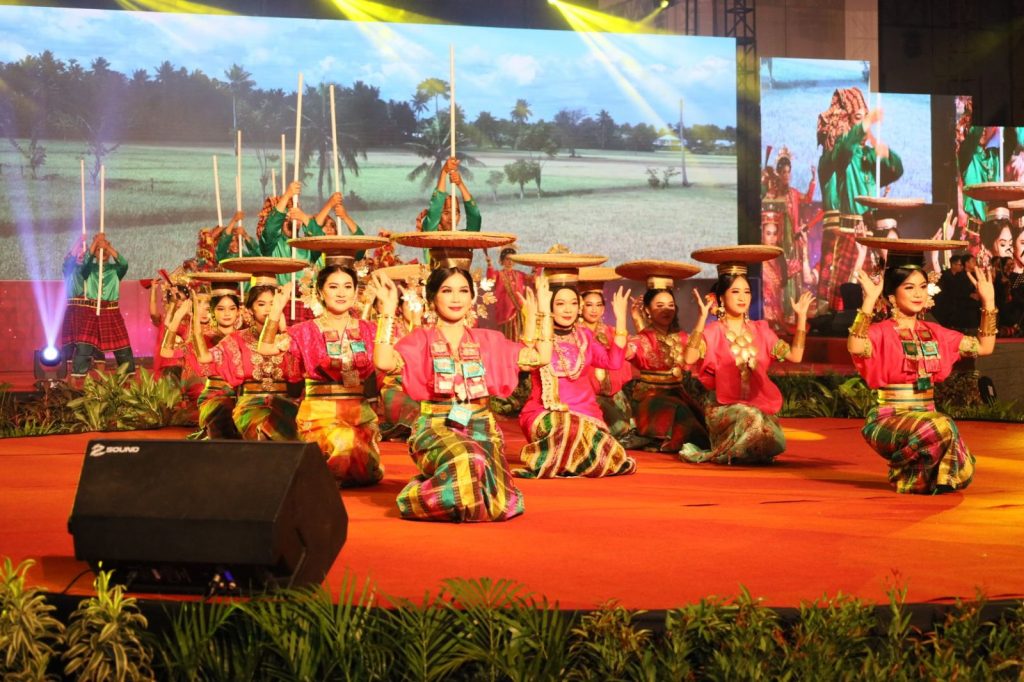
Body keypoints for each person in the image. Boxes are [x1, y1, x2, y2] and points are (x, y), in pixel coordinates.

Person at [371, 232, 552, 522]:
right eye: (447, 290)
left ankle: (448, 491)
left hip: (481, 428)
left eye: (463, 290)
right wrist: (388, 313)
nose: (456, 298)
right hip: (435, 427)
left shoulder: (488, 340)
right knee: (469, 459)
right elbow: (382, 362)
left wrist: (543, 311)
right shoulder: (419, 340)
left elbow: (539, 357)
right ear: (432, 298)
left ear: (472, 296)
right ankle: (415, 497)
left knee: (496, 501)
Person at [847, 237, 997, 494]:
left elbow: (984, 347)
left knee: (939, 424)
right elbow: (856, 347)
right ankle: (906, 471)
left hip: (928, 416)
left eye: (923, 286)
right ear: (892, 294)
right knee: (941, 424)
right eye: (909, 287)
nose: (918, 294)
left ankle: (921, 477)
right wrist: (869, 301)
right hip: (889, 419)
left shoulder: (936, 333)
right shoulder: (881, 332)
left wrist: (989, 302)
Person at [258, 236, 389, 486]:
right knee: (345, 442)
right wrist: (275, 311)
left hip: (359, 415)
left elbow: (392, 360)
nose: (341, 293)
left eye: (348, 286)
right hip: (320, 415)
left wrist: (388, 311)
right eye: (333, 286)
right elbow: (265, 348)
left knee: (366, 470)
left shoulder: (369, 330)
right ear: (320, 291)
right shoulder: (305, 331)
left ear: (356, 291)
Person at [680, 246, 814, 465]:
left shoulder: (761, 330)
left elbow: (796, 356)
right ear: (721, 298)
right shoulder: (713, 332)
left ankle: (746, 451)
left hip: (755, 406)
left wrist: (801, 319)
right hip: (722, 407)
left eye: (747, 291)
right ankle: (729, 450)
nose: (742, 297)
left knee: (770, 433)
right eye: (735, 292)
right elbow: (689, 359)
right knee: (751, 418)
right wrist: (702, 319)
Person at [507, 255, 636, 478]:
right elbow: (525, 363)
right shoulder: (538, 336)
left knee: (610, 452)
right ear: (550, 306)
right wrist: (536, 317)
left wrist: (621, 319)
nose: (568, 310)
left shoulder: (584, 336)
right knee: (567, 426)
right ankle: (555, 462)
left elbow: (613, 362)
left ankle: (571, 463)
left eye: (573, 303)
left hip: (587, 414)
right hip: (544, 413)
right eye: (560, 303)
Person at [615, 260, 710, 453]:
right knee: (679, 412)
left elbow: (690, 359)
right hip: (651, 398)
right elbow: (624, 352)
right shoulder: (641, 339)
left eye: (670, 305)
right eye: (659, 305)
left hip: (678, 394)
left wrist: (702, 317)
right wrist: (621, 319)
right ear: (647, 310)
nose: (666, 309)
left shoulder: (681, 337)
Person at [163, 277, 247, 439]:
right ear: (213, 311)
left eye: (232, 308)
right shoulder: (205, 337)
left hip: (244, 398)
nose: (227, 313)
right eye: (221, 309)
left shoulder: (246, 337)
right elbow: (167, 353)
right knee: (223, 417)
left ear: (238, 311)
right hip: (215, 397)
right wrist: (178, 317)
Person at [577, 268, 643, 447]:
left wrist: (631, 344)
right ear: (580, 307)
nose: (594, 309)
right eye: (589, 304)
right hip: (587, 395)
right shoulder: (576, 332)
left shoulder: (611, 331)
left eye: (599, 305)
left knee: (630, 426)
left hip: (613, 393)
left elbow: (628, 351)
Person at [70, 232, 134, 385]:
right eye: (100, 250)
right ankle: (77, 381)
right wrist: (95, 244)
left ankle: (128, 381)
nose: (103, 252)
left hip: (111, 311)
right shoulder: (89, 269)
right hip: (91, 311)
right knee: (84, 346)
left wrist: (107, 246)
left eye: (105, 250)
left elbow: (124, 264)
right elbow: (85, 263)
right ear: (95, 254)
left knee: (122, 347)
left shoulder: (115, 270)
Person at [372, 263, 426, 442]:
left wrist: (417, 325)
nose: (414, 308)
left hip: (422, 386)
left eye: (418, 304)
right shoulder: (390, 328)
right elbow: (382, 362)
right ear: (400, 307)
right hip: (394, 384)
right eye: (409, 304)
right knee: (403, 402)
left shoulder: (430, 330)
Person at [416, 157, 481, 232]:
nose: (451, 218)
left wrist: (460, 184)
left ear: (459, 217)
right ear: (438, 216)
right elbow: (435, 210)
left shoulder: (464, 237)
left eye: (455, 213)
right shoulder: (431, 232)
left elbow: (475, 218)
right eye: (446, 213)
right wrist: (444, 172)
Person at [485, 246, 533, 341]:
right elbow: (490, 279)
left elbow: (532, 279)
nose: (510, 262)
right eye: (507, 259)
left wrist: (537, 267)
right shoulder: (498, 274)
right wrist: (489, 265)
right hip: (504, 310)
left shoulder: (520, 274)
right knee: (505, 334)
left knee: (519, 332)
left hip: (519, 309)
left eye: (512, 259)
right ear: (502, 260)